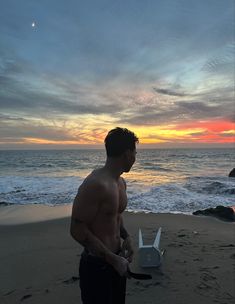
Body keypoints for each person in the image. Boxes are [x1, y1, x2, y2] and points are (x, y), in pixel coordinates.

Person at [70, 127, 139, 304]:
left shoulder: (121, 182)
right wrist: (111, 258)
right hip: (97, 266)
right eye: (135, 152)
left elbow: (114, 215)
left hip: (118, 262)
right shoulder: (95, 184)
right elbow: (77, 229)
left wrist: (127, 236)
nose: (135, 158)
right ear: (127, 154)